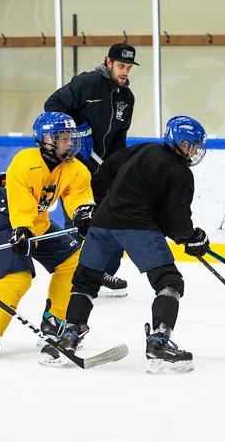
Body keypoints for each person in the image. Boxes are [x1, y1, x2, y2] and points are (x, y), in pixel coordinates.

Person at [41, 115, 210, 373]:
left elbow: (102, 175)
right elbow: (175, 219)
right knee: (169, 282)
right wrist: (191, 237)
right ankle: (159, 341)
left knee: (85, 281)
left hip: (102, 224)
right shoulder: (181, 173)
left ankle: (69, 335)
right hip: (137, 227)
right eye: (193, 145)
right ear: (181, 143)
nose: (195, 151)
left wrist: (95, 210)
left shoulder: (143, 148)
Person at [0, 111, 95, 364]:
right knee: (18, 278)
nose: (69, 143)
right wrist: (22, 229)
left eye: (70, 137)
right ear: (46, 139)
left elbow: (78, 196)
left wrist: (83, 213)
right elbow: (20, 202)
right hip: (4, 217)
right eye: (62, 137)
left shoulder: (75, 168)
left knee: (73, 259)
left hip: (37, 221)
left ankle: (54, 321)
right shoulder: (25, 162)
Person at [44, 43, 137, 296]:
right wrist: (74, 131)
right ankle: (73, 273)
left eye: (128, 67)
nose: (125, 72)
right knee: (80, 220)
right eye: (121, 66)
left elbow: (119, 136)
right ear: (108, 62)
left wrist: (117, 167)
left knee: (113, 218)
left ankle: (102, 271)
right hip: (77, 165)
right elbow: (52, 105)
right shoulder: (87, 83)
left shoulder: (126, 98)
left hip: (104, 169)